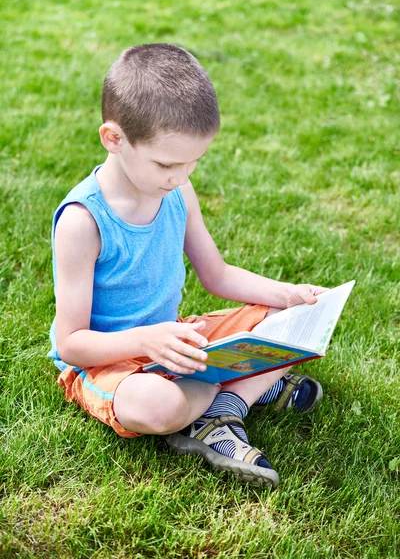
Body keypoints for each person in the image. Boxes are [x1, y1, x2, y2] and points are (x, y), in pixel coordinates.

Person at [48, 43, 326, 488]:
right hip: (110, 363)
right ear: (114, 139)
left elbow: (215, 274)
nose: (181, 176)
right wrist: (148, 340)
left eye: (194, 162)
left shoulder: (177, 189)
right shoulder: (84, 222)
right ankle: (236, 392)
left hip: (175, 340)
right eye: (167, 163)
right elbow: (71, 345)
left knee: (295, 317)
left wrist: (288, 294)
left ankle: (221, 410)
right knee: (156, 408)